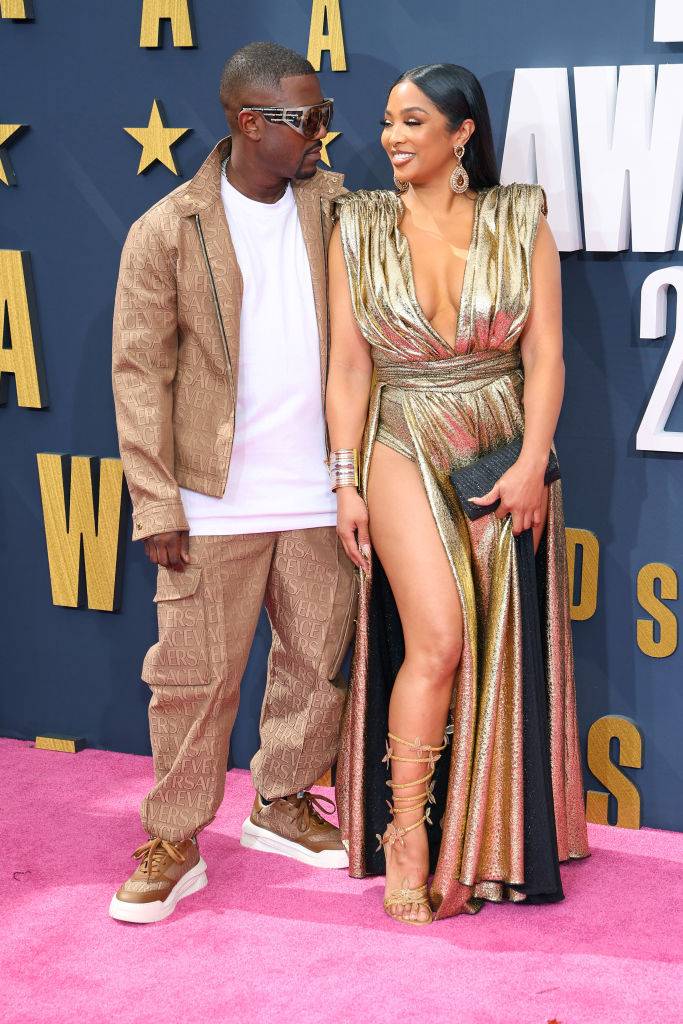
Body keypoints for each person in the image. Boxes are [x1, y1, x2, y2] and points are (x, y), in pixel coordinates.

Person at [326, 63, 589, 925]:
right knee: (437, 637)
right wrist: (344, 482)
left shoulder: (519, 217)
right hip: (400, 433)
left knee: (495, 643)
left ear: (461, 131)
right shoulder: (358, 225)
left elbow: (544, 354)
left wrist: (532, 462)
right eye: (387, 122)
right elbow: (349, 367)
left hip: (501, 442)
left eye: (411, 121)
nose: (391, 138)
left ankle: (489, 837)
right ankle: (407, 835)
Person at [110, 42, 356, 924]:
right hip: (212, 498)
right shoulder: (168, 227)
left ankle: (281, 800)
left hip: (323, 491)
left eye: (324, 114)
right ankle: (173, 840)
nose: (322, 131)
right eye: (306, 118)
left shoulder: (338, 210)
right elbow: (139, 375)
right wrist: (156, 503)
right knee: (192, 680)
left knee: (316, 666)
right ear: (250, 123)